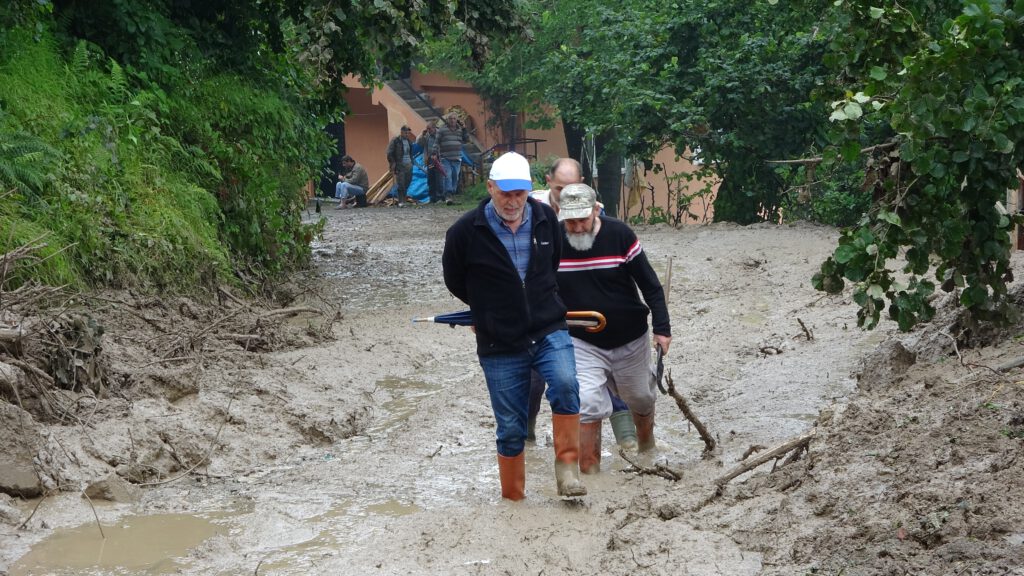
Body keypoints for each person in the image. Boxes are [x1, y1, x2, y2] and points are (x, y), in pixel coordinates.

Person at [442, 151, 587, 501]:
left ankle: (567, 471)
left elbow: (551, 266)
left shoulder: (544, 220)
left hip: (547, 327)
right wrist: (486, 310)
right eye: (505, 193)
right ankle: (514, 499)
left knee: (567, 385)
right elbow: (454, 280)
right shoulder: (464, 231)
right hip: (499, 341)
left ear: (529, 190)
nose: (513, 201)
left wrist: (536, 301)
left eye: (519, 193)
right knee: (510, 428)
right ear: (490, 188)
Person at [555, 183, 672, 474]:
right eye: (570, 221)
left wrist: (662, 328)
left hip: (629, 337)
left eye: (583, 219)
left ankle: (646, 447)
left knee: (641, 397)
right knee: (587, 402)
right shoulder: (552, 240)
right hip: (580, 339)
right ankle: (590, 473)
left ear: (596, 210)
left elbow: (650, 285)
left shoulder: (619, 234)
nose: (577, 227)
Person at [526, 159, 639, 453]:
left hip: (585, 312)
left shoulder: (595, 212)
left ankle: (625, 437)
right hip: (546, 308)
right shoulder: (530, 213)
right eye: (561, 188)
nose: (567, 195)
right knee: (534, 378)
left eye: (574, 188)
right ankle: (526, 436)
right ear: (548, 181)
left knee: (605, 371)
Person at [437, 114, 467, 204]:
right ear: (447, 120)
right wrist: (435, 153)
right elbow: (436, 142)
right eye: (450, 119)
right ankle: (448, 195)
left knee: (455, 176)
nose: (452, 120)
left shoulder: (460, 130)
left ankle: (451, 193)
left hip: (457, 157)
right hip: (445, 157)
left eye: (454, 118)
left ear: (456, 120)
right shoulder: (442, 130)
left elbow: (466, 140)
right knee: (448, 175)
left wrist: (464, 128)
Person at [386, 126, 415, 207]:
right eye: (405, 133)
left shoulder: (409, 141)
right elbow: (389, 152)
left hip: (409, 165)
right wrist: (393, 163)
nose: (407, 134)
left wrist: (412, 162)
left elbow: (410, 153)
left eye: (408, 133)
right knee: (401, 183)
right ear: (401, 132)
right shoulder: (395, 140)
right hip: (399, 165)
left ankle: (404, 200)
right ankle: (401, 201)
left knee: (407, 183)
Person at [417, 123, 445, 204]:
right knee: (431, 179)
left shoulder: (440, 135)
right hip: (429, 159)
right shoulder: (427, 136)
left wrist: (439, 155)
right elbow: (419, 143)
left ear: (434, 128)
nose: (428, 131)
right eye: (427, 129)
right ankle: (432, 198)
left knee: (439, 179)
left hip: (438, 159)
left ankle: (440, 197)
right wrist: (422, 135)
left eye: (430, 129)